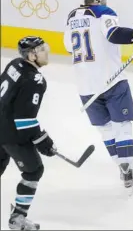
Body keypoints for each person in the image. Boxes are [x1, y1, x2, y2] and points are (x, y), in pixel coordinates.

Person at [63, 0, 133, 190]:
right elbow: (114, 34)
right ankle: (127, 169)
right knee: (122, 127)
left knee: (106, 130)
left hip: (85, 86)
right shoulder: (104, 13)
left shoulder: (71, 17)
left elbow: (69, 47)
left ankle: (121, 166)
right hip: (111, 81)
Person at [0, 36, 55, 230]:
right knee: (34, 170)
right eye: (41, 50)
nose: (46, 52)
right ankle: (18, 219)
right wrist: (43, 141)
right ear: (31, 55)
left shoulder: (14, 64)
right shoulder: (36, 80)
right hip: (10, 132)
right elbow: (24, 119)